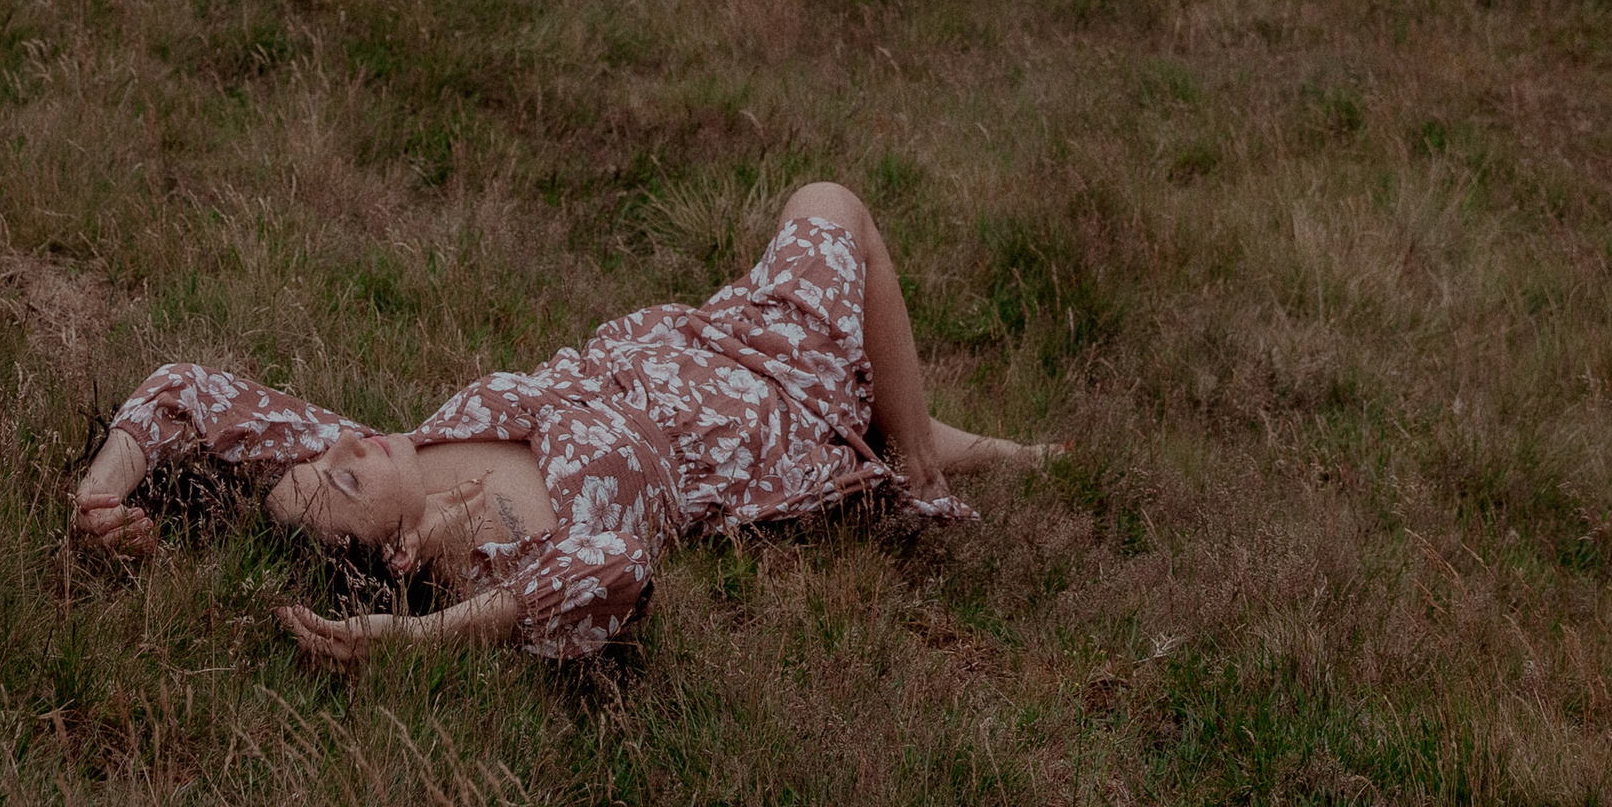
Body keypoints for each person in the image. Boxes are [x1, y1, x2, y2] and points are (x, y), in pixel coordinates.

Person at [71, 181, 1060, 668]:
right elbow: (618, 572)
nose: (344, 445)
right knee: (831, 204)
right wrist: (416, 640)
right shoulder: (504, 570)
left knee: (847, 304)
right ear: (399, 555)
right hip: (750, 419)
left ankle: (927, 449)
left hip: (678, 347)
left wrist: (100, 496)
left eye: (330, 452)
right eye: (345, 479)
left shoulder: (390, 453)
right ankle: (922, 462)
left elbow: (186, 391)